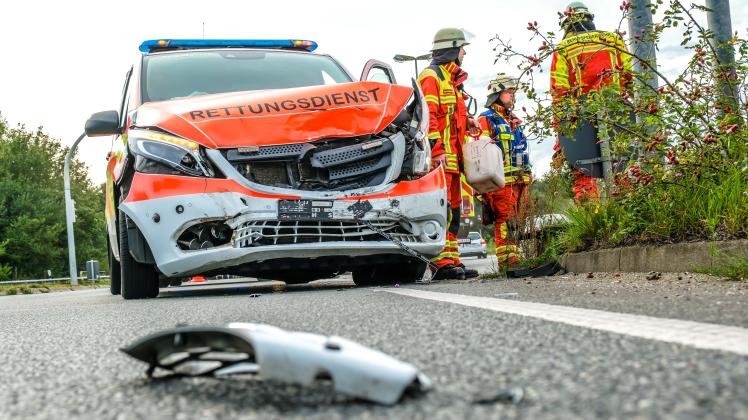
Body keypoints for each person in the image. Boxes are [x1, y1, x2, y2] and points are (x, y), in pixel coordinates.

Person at [550, 1, 633, 203]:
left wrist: (560, 132)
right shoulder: (612, 39)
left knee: (584, 171)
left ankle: (592, 223)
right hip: (617, 114)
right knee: (623, 167)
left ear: (567, 23)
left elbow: (559, 92)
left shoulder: (563, 48)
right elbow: (632, 76)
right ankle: (630, 215)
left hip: (581, 120)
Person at [418, 27, 481, 280]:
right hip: (440, 159)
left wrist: (469, 121)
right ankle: (440, 263)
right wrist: (436, 151)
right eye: (462, 48)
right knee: (442, 211)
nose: (464, 52)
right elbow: (429, 118)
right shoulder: (431, 76)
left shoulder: (451, 80)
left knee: (454, 211)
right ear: (453, 49)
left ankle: (452, 259)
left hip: (455, 160)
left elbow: (453, 116)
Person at [477, 74, 531, 267]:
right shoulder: (486, 119)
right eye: (509, 92)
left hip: (519, 180)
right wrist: (484, 187)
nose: (512, 96)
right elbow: (480, 153)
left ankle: (515, 258)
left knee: (517, 222)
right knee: (505, 220)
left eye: (513, 92)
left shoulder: (513, 120)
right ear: (496, 94)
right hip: (501, 182)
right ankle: (508, 263)